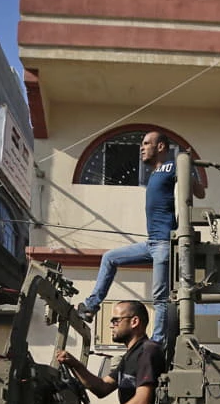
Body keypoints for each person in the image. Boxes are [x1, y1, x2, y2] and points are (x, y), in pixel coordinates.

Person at [77, 130, 206, 345]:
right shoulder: (155, 173)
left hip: (165, 244)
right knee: (109, 257)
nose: (142, 147)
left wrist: (187, 167)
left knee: (160, 297)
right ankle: (91, 307)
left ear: (161, 147)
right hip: (151, 243)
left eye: (146, 143)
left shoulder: (173, 166)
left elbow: (200, 193)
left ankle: (156, 343)